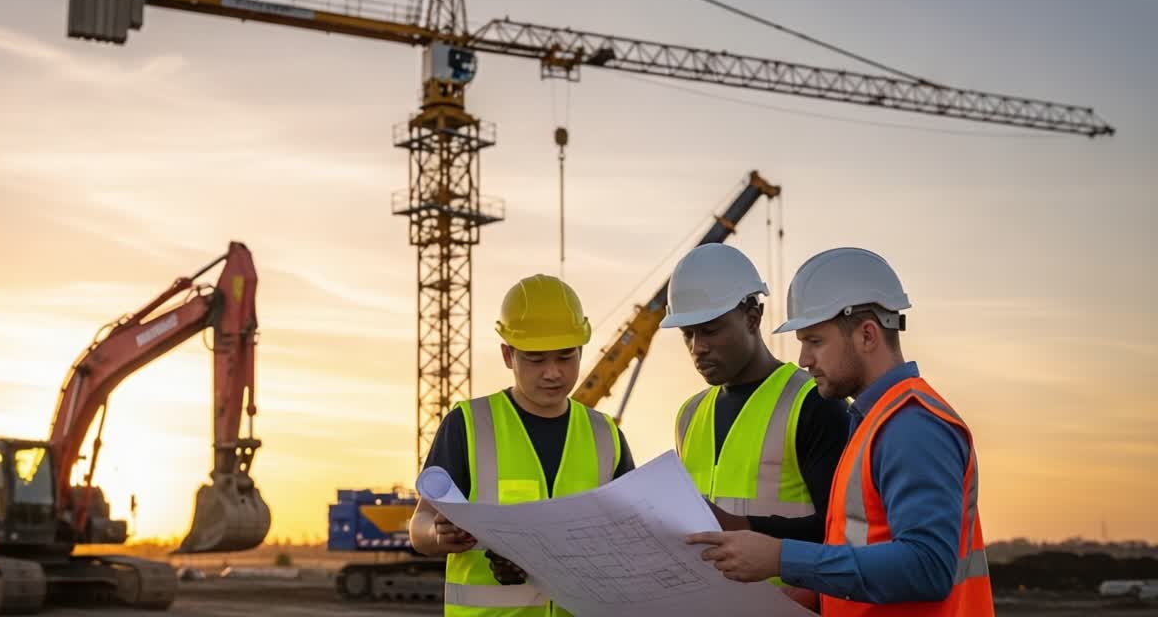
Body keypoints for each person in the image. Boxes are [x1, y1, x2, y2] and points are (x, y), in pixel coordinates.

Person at [687, 248, 994, 616]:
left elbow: (928, 566)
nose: (804, 359)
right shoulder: (874, 422)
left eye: (815, 341)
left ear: (867, 335)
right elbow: (865, 550)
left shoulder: (912, 426)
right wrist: (812, 597)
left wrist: (781, 558)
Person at [409, 274, 636, 616]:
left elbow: (630, 534)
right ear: (508, 354)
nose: (553, 373)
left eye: (565, 357)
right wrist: (437, 535)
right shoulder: (469, 425)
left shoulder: (606, 434)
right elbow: (420, 525)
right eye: (536, 359)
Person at [661, 245, 847, 562]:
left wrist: (742, 527)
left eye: (709, 330)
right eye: (687, 334)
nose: (698, 347)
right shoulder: (689, 415)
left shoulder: (815, 403)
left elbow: (842, 533)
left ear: (752, 318)